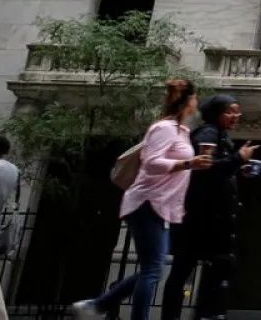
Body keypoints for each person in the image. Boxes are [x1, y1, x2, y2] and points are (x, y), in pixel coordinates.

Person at [72, 79, 213, 320]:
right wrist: (188, 163)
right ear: (187, 101)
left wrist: (190, 172)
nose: (196, 102)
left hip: (161, 205)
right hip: (147, 201)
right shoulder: (164, 128)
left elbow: (174, 171)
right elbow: (151, 162)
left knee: (153, 269)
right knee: (152, 270)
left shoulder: (182, 131)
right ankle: (100, 307)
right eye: (194, 98)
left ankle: (97, 306)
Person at [162, 95, 259, 319]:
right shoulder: (207, 134)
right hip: (201, 219)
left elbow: (217, 170)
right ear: (216, 113)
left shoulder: (220, 135)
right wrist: (238, 159)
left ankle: (207, 313)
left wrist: (238, 166)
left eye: (238, 112)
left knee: (210, 266)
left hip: (211, 219)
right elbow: (206, 169)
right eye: (230, 112)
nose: (235, 116)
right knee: (188, 269)